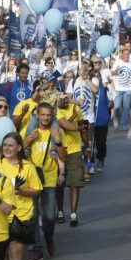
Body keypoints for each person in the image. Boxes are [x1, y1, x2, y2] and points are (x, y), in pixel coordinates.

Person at [0, 132, 41, 260]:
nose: (7, 148)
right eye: (5, 145)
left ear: (19, 148)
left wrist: (21, 191)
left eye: (11, 145)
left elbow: (37, 190)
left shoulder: (28, 167)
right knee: (4, 256)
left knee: (15, 253)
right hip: (0, 215)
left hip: (22, 215)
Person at [23, 103, 67, 260]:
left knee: (49, 216)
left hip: (49, 179)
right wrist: (28, 139)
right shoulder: (31, 131)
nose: (46, 118)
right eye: (43, 115)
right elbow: (18, 150)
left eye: (48, 115)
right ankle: (37, 247)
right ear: (38, 115)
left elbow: (63, 157)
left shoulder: (56, 131)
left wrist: (58, 139)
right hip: (31, 180)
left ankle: (49, 237)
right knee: (33, 216)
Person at [57, 94, 84, 226]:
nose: (63, 100)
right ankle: (60, 211)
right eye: (61, 98)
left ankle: (73, 214)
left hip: (75, 150)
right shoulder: (55, 110)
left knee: (75, 184)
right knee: (59, 184)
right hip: (59, 152)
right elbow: (64, 125)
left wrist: (87, 145)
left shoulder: (76, 108)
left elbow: (82, 126)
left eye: (65, 97)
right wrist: (73, 118)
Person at [111, 48, 131, 131]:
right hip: (118, 89)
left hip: (128, 89)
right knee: (117, 107)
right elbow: (111, 73)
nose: (127, 56)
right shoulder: (117, 62)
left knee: (126, 108)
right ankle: (115, 119)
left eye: (128, 54)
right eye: (125, 54)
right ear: (122, 55)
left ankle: (123, 125)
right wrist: (116, 71)